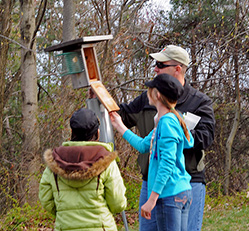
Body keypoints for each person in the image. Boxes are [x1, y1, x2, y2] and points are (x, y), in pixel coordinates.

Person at [118, 45, 215, 231]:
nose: (155, 69)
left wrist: (172, 132)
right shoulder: (150, 98)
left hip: (187, 183)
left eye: (160, 65)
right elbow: (122, 115)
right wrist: (99, 99)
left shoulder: (200, 102)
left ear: (177, 68)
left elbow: (206, 137)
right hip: (152, 182)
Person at [110, 73, 194, 231]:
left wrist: (152, 199)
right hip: (179, 192)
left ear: (157, 94)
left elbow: (167, 163)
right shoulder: (166, 120)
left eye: (150, 89)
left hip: (170, 195)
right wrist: (120, 126)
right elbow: (143, 146)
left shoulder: (167, 123)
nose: (147, 92)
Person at [39, 108, 127, 231]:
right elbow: (118, 203)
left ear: (71, 132)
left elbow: (45, 199)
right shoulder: (106, 161)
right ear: (97, 133)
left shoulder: (54, 162)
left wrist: (64, 213)